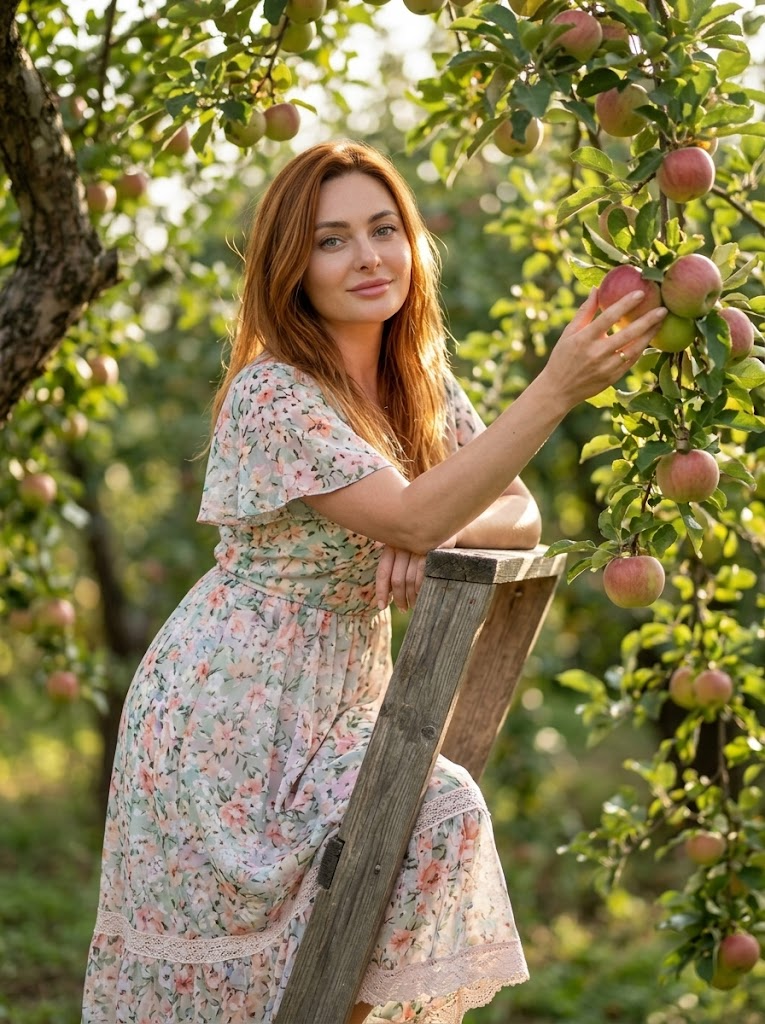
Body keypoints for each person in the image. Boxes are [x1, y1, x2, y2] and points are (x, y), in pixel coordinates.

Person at [81, 138, 667, 1024]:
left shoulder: (418, 383)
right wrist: (546, 396)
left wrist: (433, 517)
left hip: (342, 698)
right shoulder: (272, 393)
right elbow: (408, 517)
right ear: (292, 266)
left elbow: (518, 512)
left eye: (383, 229)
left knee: (405, 854)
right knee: (266, 965)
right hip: (230, 713)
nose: (366, 257)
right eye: (331, 239)